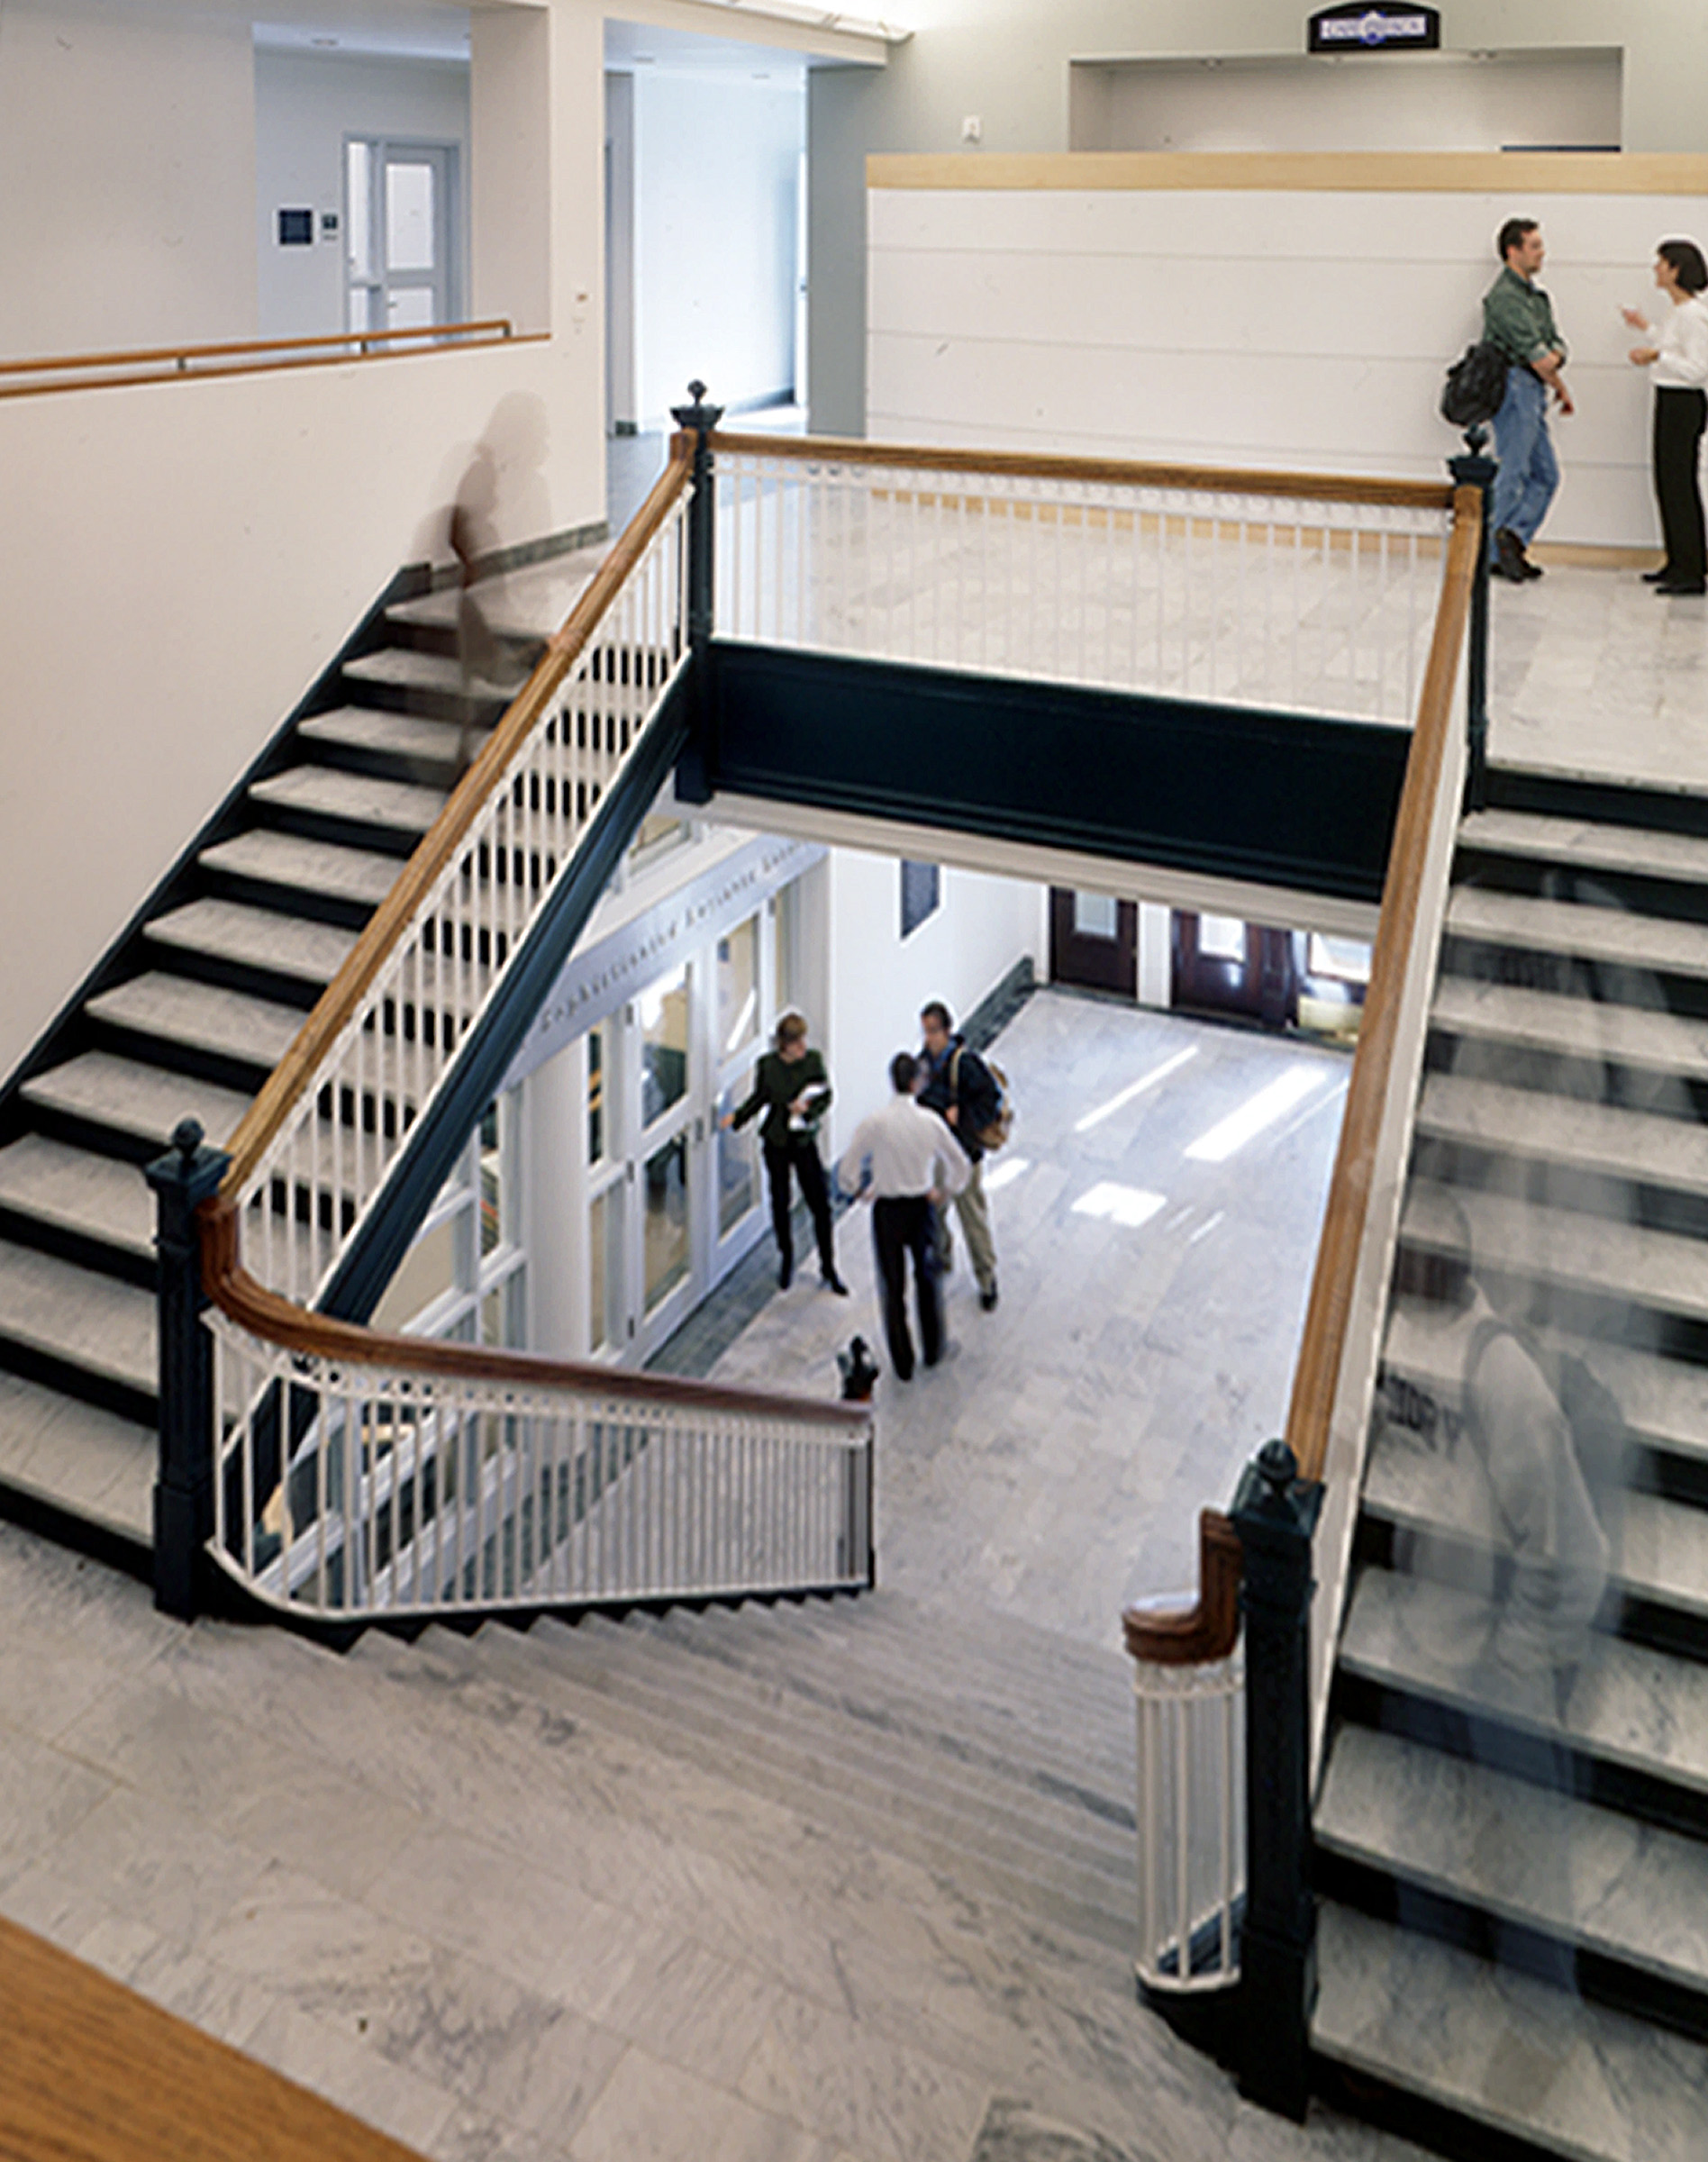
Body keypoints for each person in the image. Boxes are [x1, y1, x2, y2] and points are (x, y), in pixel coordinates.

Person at [836, 1052, 971, 1380]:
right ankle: (933, 1348)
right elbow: (960, 1163)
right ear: (916, 1082)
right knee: (928, 1279)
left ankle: (903, 1361)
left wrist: (857, 1190)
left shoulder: (875, 1123)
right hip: (921, 1207)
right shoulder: (929, 1122)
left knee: (892, 1286)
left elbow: (847, 1169)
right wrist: (946, 1190)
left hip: (888, 1211)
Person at [722, 1012, 847, 1294]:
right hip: (777, 1141)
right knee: (781, 1202)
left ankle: (828, 1265)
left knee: (820, 1204)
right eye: (796, 1043)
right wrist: (738, 1118)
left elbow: (826, 1095)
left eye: (803, 1040)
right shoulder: (768, 1066)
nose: (802, 1047)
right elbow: (760, 1097)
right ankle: (787, 1257)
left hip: (803, 1141)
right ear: (784, 1044)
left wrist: (809, 1111)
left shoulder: (813, 1062)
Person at [1482, 218, 1574, 584]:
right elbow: (1540, 356)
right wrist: (1552, 361)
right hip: (1516, 387)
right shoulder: (1504, 298)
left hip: (1534, 388)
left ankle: (1512, 539)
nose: (1542, 252)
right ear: (1513, 251)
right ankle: (1491, 553)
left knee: (1546, 475)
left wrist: (1557, 375)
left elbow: (1558, 346)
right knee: (1513, 471)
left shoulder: (1536, 297)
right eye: (1534, 245)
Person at [1623, 238, 1708, 597]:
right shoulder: (1678, 312)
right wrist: (1646, 329)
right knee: (1667, 482)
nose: (1655, 269)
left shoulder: (1694, 314)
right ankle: (1677, 561)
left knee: (1679, 484)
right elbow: (1671, 346)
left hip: (1685, 403)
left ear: (1676, 269)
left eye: (1661, 263)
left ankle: (1691, 569)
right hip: (1671, 400)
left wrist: (1656, 357)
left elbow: (1698, 368)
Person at [916, 1001, 1002, 1313]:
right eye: (925, 1032)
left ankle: (987, 1278)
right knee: (935, 1213)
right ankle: (942, 1259)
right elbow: (921, 1098)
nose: (928, 1039)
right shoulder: (925, 1063)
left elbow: (990, 1102)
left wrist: (962, 1114)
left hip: (964, 1155)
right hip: (939, 1154)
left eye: (933, 1032)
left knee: (973, 1218)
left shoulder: (966, 1064)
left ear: (947, 1031)